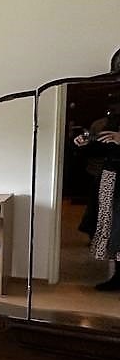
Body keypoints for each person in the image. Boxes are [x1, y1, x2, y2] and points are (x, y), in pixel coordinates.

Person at [75, 105, 120, 290]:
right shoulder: (113, 118)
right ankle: (118, 276)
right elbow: (104, 147)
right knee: (111, 225)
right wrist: (86, 143)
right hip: (111, 173)